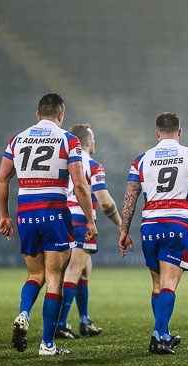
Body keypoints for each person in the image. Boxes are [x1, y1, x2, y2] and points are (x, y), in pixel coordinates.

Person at [0, 93, 97, 356]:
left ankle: (24, 312)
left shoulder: (17, 139)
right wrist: (89, 219)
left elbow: (1, 180)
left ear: (37, 115)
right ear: (61, 116)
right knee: (54, 279)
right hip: (54, 211)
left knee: (34, 275)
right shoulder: (68, 139)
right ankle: (47, 345)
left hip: (26, 213)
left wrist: (4, 216)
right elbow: (80, 184)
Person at [118, 112, 188, 355]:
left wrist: (124, 230)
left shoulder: (141, 160)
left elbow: (131, 196)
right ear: (180, 131)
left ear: (157, 132)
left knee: (157, 284)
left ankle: (163, 333)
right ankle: (157, 336)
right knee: (169, 285)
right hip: (176, 224)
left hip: (149, 226)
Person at [55, 123, 122, 339]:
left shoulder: (63, 162)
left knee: (84, 269)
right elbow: (104, 201)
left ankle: (84, 320)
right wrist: (121, 225)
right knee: (74, 270)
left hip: (62, 218)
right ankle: (61, 324)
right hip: (81, 220)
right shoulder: (93, 165)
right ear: (88, 142)